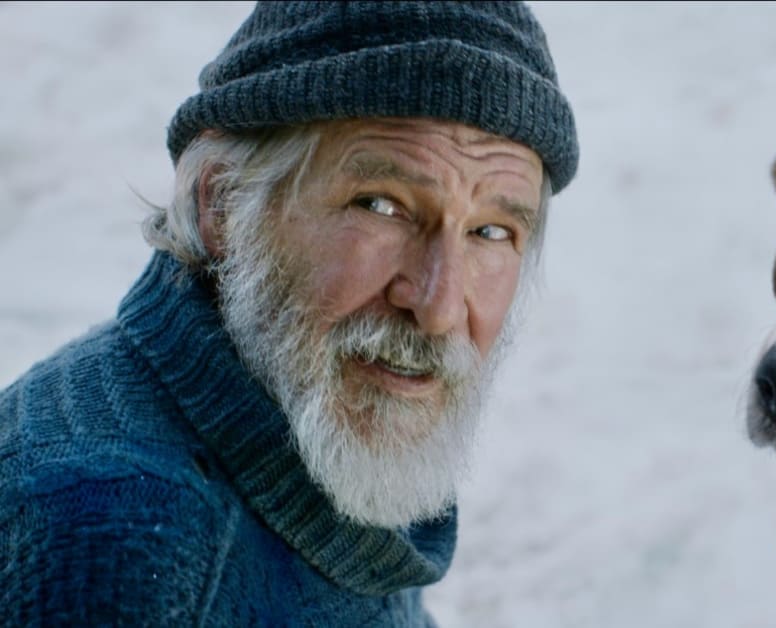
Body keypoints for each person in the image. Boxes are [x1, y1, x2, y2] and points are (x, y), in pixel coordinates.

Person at [0, 1, 578, 625]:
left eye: (491, 232)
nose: (438, 308)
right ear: (223, 202)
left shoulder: (327, 433)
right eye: (381, 205)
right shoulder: (117, 537)